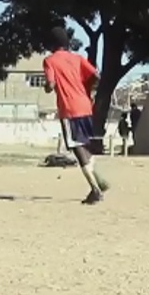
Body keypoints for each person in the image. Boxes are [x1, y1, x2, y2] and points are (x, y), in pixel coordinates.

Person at [43, 27, 110, 204]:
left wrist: (48, 87)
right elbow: (96, 75)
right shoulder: (78, 58)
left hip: (69, 108)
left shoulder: (50, 61)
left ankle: (95, 190)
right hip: (85, 106)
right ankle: (99, 180)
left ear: (51, 44)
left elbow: (50, 84)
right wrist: (87, 88)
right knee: (85, 144)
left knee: (77, 149)